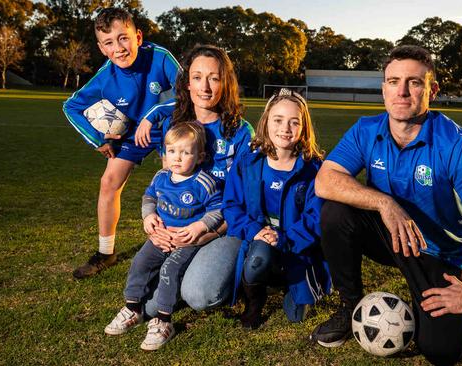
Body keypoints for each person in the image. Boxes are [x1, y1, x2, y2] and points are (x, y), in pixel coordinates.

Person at [308, 45, 462, 366]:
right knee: (334, 210)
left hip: (437, 252)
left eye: (414, 82)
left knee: (441, 352)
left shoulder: (457, 145)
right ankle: (350, 306)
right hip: (388, 234)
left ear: (432, 90)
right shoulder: (366, 130)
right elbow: (325, 180)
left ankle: (428, 306)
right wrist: (384, 203)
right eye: (393, 81)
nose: (402, 91)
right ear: (383, 88)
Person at [62, 8, 181, 279]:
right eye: (109, 43)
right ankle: (106, 252)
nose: (118, 48)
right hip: (131, 133)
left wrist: (153, 116)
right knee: (109, 182)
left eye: (123, 38)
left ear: (137, 36)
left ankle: (173, 246)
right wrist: (97, 138)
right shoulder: (105, 77)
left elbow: (187, 92)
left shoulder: (160, 58)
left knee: (172, 183)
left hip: (168, 126)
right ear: (102, 48)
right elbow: (71, 107)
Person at [141, 44, 255, 316]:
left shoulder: (241, 133)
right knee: (144, 283)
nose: (205, 87)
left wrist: (206, 235)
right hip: (180, 225)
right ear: (187, 83)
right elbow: (167, 183)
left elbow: (247, 203)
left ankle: (239, 271)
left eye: (214, 78)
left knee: (200, 295)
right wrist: (157, 225)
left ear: (225, 83)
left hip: (225, 227)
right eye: (197, 77)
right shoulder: (174, 125)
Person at [104, 122, 223, 350]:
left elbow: (218, 209)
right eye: (172, 152)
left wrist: (199, 227)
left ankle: (164, 321)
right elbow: (149, 198)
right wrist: (148, 217)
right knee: (140, 261)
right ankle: (133, 308)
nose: (177, 158)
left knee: (170, 270)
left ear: (200, 157)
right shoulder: (161, 177)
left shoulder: (204, 182)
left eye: (185, 153)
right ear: (165, 153)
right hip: (161, 236)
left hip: (187, 241)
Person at [224, 90, 331, 329]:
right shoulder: (248, 163)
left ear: (304, 128)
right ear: (266, 121)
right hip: (260, 243)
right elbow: (231, 206)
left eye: (295, 122)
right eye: (278, 120)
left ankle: (289, 284)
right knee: (259, 257)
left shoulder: (313, 169)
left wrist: (285, 238)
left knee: (296, 316)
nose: (286, 128)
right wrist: (254, 231)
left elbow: (316, 218)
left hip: (296, 248)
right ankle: (255, 299)